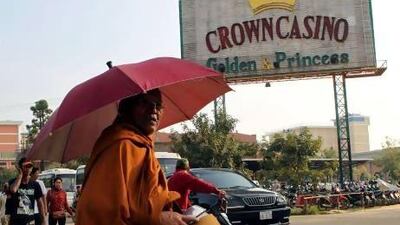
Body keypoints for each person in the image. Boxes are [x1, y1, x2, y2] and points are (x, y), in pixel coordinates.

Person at [76, 89, 197, 225]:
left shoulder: (142, 144)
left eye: (158, 105)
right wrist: (159, 219)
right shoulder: (121, 146)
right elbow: (103, 212)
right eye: (145, 102)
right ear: (129, 108)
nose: (154, 110)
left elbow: (146, 200)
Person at [8, 158, 45, 225]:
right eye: (25, 166)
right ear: (20, 168)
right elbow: (13, 190)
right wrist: (20, 176)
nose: (28, 169)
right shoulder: (12, 182)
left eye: (30, 166)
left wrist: (43, 220)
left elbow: (40, 203)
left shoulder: (35, 184)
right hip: (15, 221)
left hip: (30, 221)